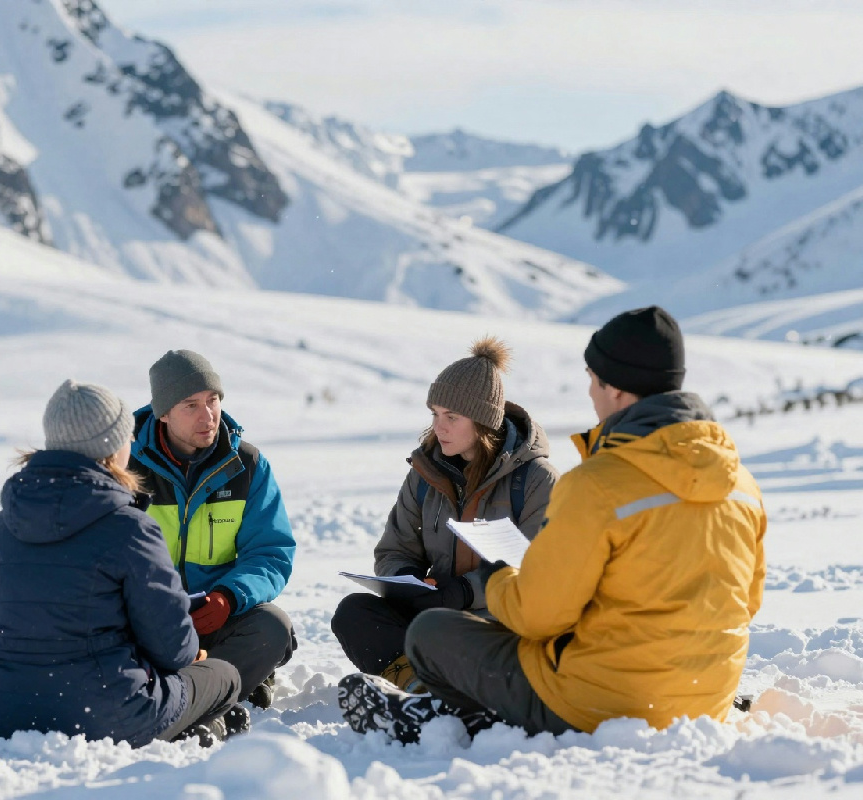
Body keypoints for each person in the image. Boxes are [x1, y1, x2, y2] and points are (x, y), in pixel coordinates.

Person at [338, 306, 767, 745]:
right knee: (370, 615)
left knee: (434, 633)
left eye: (592, 380)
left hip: (607, 700)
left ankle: (444, 720)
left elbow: (541, 614)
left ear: (615, 389)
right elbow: (748, 603)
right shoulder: (742, 485)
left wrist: (489, 579)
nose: (591, 394)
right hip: (707, 698)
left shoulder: (596, 484)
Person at [0, 380, 244, 746]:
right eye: (127, 437)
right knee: (223, 674)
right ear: (112, 446)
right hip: (104, 716)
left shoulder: (3, 524)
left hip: (3, 714)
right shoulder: (128, 527)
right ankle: (192, 729)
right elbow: (173, 649)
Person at [332, 337, 558, 693]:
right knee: (355, 614)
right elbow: (395, 549)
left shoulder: (535, 479)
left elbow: (540, 569)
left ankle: (465, 682)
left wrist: (463, 593)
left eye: (452, 417)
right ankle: (420, 684)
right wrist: (406, 582)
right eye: (435, 414)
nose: (440, 427)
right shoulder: (425, 473)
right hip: (436, 618)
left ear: (484, 422)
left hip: (504, 625)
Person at [130, 350, 297, 710]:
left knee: (272, 628)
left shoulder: (247, 465)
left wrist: (229, 596)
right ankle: (221, 687)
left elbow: (270, 551)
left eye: (213, 400)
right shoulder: (124, 466)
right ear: (163, 413)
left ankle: (186, 696)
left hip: (215, 617)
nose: (207, 416)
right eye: (190, 405)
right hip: (143, 621)